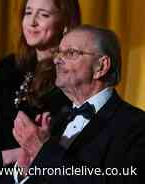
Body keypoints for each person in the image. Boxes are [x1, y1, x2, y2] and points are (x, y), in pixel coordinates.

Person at [13, 25, 145, 184]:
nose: (56, 60)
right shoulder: (56, 122)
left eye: (70, 53)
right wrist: (25, 172)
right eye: (58, 53)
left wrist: (43, 152)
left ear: (101, 66)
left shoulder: (136, 125)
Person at [0, 0, 81, 179]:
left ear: (65, 23)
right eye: (28, 13)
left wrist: (14, 155)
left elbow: (66, 143)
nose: (32, 22)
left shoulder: (70, 74)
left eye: (43, 15)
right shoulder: (8, 67)